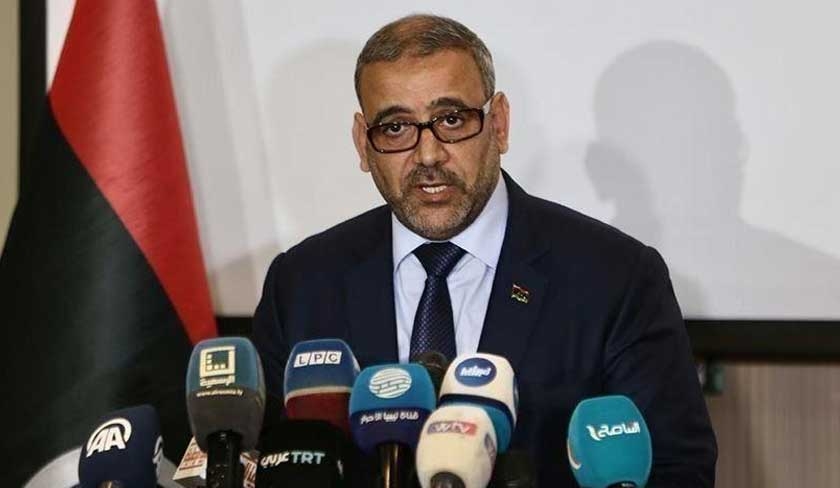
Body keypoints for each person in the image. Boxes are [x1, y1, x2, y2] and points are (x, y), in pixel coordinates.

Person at [253, 14, 717, 486]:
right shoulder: (302, 284)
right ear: (362, 143)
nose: (428, 155)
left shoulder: (615, 277)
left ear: (498, 124)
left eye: (451, 120)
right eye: (395, 128)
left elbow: (678, 470)